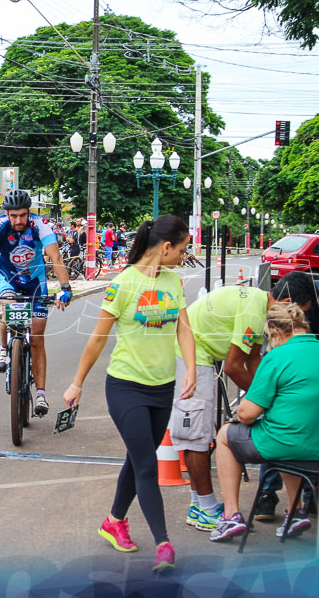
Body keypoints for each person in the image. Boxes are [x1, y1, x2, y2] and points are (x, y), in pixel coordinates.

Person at [62, 215, 196, 573]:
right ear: (166, 247)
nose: (184, 256)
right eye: (182, 249)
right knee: (147, 465)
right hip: (126, 386)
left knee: (137, 459)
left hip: (162, 387)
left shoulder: (174, 281)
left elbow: (184, 329)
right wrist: (77, 383)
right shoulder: (122, 284)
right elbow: (97, 340)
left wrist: (192, 369)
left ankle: (113, 521)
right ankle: (164, 544)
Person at [171, 272, 318, 531]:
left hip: (202, 346)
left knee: (202, 433)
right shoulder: (253, 312)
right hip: (193, 351)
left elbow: (253, 362)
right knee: (198, 435)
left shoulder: (262, 308)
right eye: (294, 315)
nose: (294, 326)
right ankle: (204, 508)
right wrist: (265, 401)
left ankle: (199, 505)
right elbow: (234, 367)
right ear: (284, 301)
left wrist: (270, 392)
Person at [209, 303, 319, 542]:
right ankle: (295, 511)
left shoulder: (277, 357)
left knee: (225, 435)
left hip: (289, 442)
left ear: (275, 333)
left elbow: (246, 413)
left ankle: (231, 515)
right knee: (286, 433)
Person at [0, 190, 72, 417]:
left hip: (35, 282)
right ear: (6, 214)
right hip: (9, 279)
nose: (18, 220)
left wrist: (65, 288)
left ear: (29, 213)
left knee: (36, 338)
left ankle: (41, 394)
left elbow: (56, 258)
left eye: (22, 215)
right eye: (13, 216)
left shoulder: (40, 225)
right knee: (9, 306)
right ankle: (4, 349)